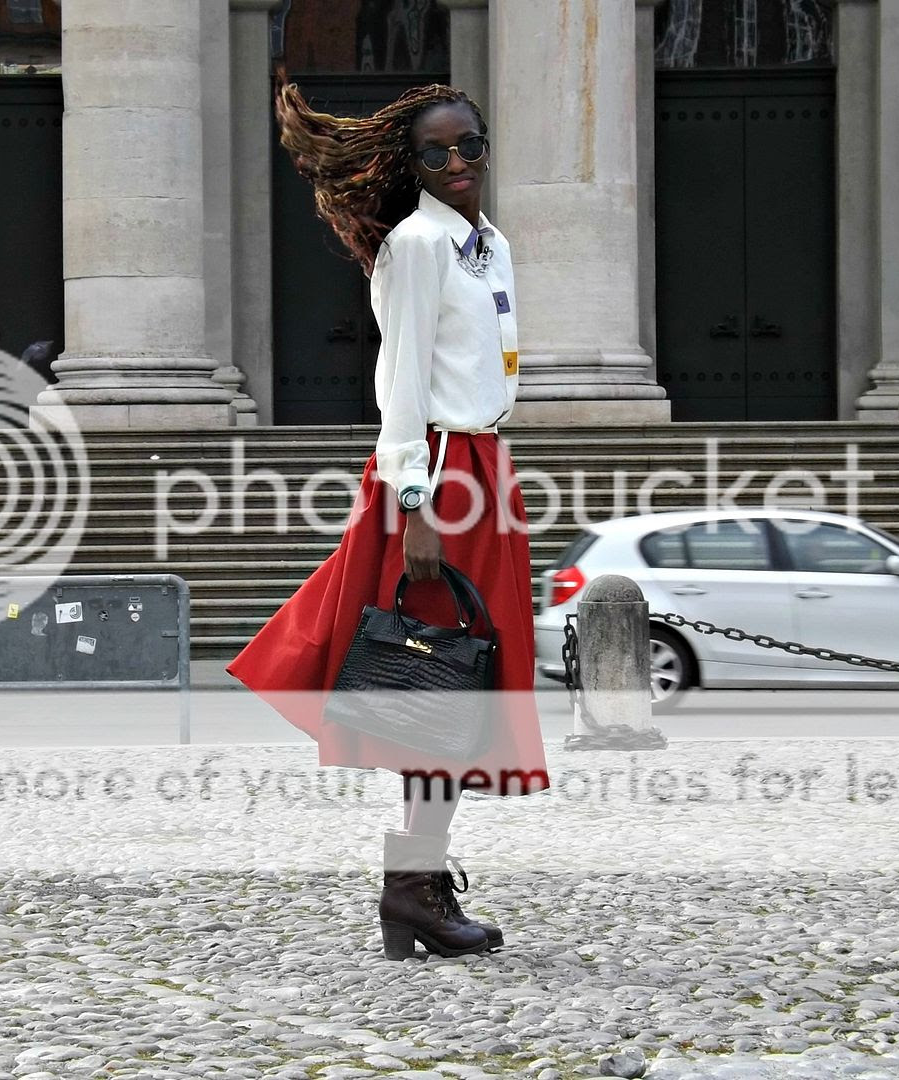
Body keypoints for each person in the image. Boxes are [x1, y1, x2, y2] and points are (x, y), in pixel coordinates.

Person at [226, 77, 550, 961]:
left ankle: (416, 885)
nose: (456, 163)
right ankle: (413, 889)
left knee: (462, 690)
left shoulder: (490, 245)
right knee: (439, 687)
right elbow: (400, 383)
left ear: (487, 146)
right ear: (411, 165)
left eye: (468, 145)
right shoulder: (415, 246)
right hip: (438, 473)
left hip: (483, 466)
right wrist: (414, 505)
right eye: (435, 152)